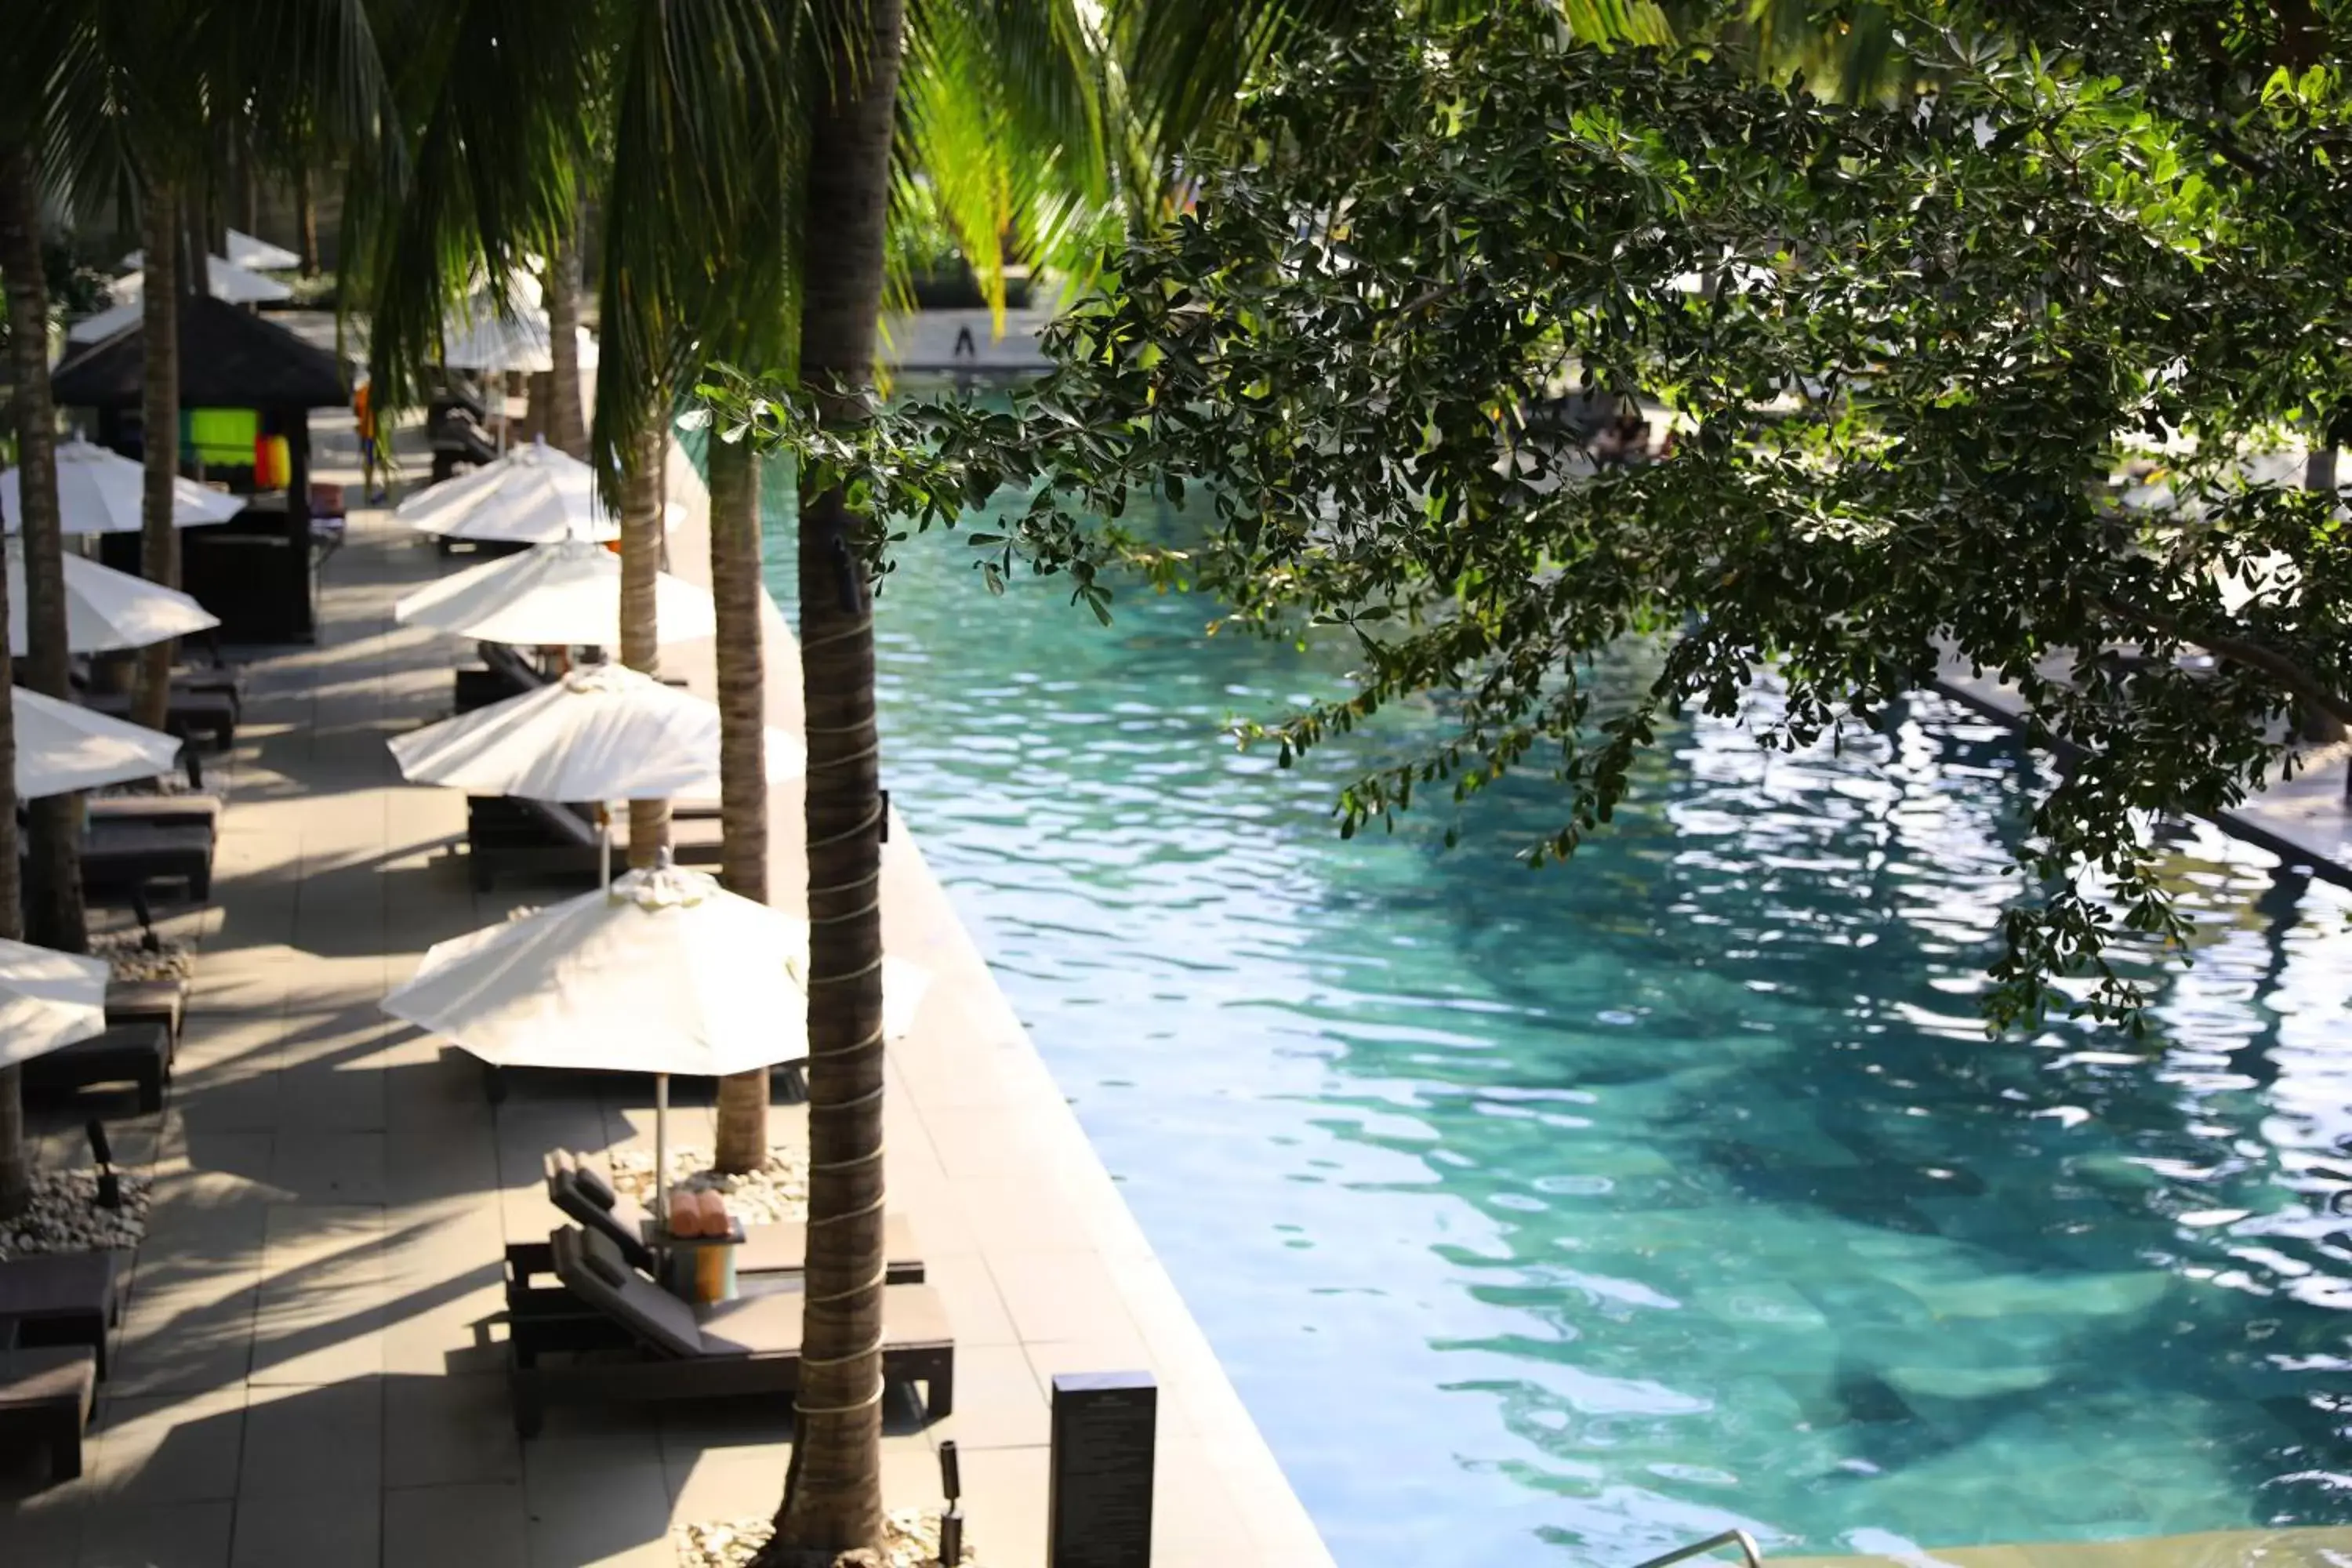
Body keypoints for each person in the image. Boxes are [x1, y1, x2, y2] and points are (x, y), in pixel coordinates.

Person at [353, 374, 387, 504]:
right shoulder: (382, 394)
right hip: (376, 433)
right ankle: (384, 488)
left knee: (369, 462)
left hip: (367, 433)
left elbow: (357, 412)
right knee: (380, 461)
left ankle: (369, 489)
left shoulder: (361, 392)